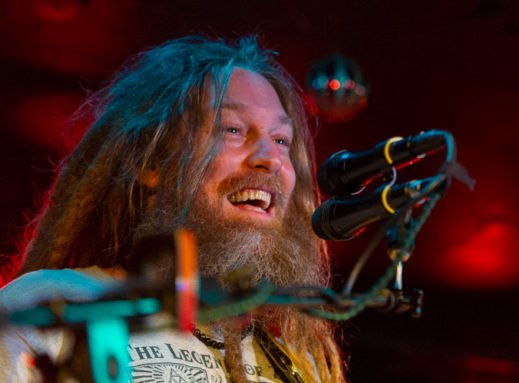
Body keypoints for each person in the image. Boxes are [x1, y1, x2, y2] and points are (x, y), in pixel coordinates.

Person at [0, 35, 345, 383]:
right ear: (153, 163)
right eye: (233, 130)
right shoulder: (51, 304)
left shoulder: (298, 362)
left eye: (281, 140)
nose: (269, 159)